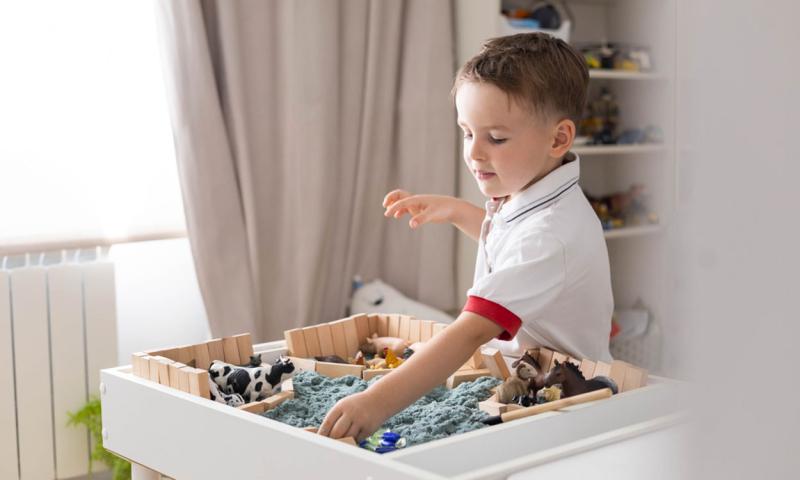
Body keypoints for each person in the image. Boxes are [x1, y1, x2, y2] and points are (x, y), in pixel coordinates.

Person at [319, 33, 613, 442]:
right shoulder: (533, 194)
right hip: (519, 375)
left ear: (558, 139)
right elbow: (511, 247)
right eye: (466, 132)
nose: (474, 153)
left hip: (562, 398)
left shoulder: (552, 234)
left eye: (495, 138)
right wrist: (459, 212)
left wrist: (374, 403)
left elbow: (473, 329)